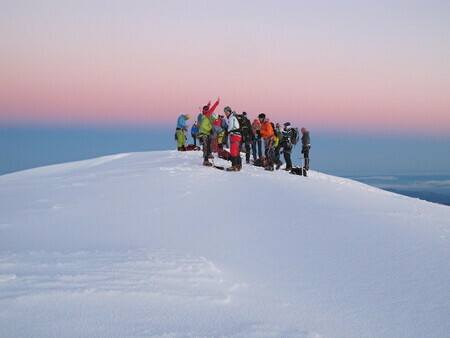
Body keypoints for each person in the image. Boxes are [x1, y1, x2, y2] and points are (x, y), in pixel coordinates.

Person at [224, 106, 242, 171]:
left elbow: (231, 127)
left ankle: (234, 165)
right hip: (238, 135)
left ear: (229, 111)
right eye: (225, 112)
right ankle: (238, 165)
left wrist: (227, 131)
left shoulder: (232, 117)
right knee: (236, 150)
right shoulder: (234, 117)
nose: (225, 113)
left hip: (234, 135)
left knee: (233, 150)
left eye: (226, 112)